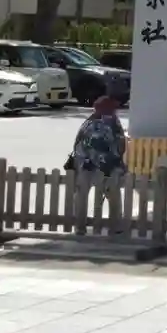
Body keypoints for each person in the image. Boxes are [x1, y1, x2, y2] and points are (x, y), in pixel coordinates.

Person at [69, 95, 128, 234]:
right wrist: (117, 164)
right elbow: (119, 145)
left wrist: (82, 161)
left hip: (85, 165)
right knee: (113, 194)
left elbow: (77, 143)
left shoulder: (88, 122)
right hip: (106, 166)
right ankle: (116, 226)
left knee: (81, 195)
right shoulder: (112, 123)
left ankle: (80, 227)